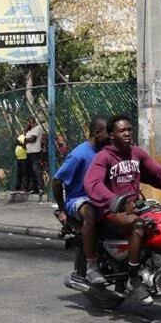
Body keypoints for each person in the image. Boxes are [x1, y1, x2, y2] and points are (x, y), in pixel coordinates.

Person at [84, 114, 161, 305]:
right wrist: (116, 201)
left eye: (129, 129)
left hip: (135, 208)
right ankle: (133, 277)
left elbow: (159, 175)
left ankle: (158, 266)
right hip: (112, 210)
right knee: (139, 225)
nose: (127, 133)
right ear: (111, 134)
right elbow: (93, 184)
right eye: (122, 130)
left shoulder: (137, 154)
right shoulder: (103, 157)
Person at [52, 116, 110, 285]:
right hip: (78, 199)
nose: (112, 135)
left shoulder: (107, 151)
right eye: (108, 131)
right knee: (90, 213)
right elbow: (56, 181)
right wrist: (62, 210)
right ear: (97, 132)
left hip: (100, 196)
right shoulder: (79, 154)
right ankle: (91, 266)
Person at [24, 118, 46, 194]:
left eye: (27, 123)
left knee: (36, 170)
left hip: (35, 152)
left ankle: (40, 188)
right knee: (31, 171)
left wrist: (26, 140)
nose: (26, 125)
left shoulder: (38, 128)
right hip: (28, 152)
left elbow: (32, 139)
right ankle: (35, 189)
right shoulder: (29, 131)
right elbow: (25, 140)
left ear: (31, 122)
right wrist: (26, 139)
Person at [13, 128, 29, 193]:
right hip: (19, 158)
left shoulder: (28, 138)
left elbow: (26, 147)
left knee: (25, 174)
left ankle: (26, 188)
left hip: (24, 158)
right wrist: (18, 143)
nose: (24, 131)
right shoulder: (21, 136)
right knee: (19, 173)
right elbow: (16, 143)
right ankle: (17, 187)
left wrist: (21, 144)